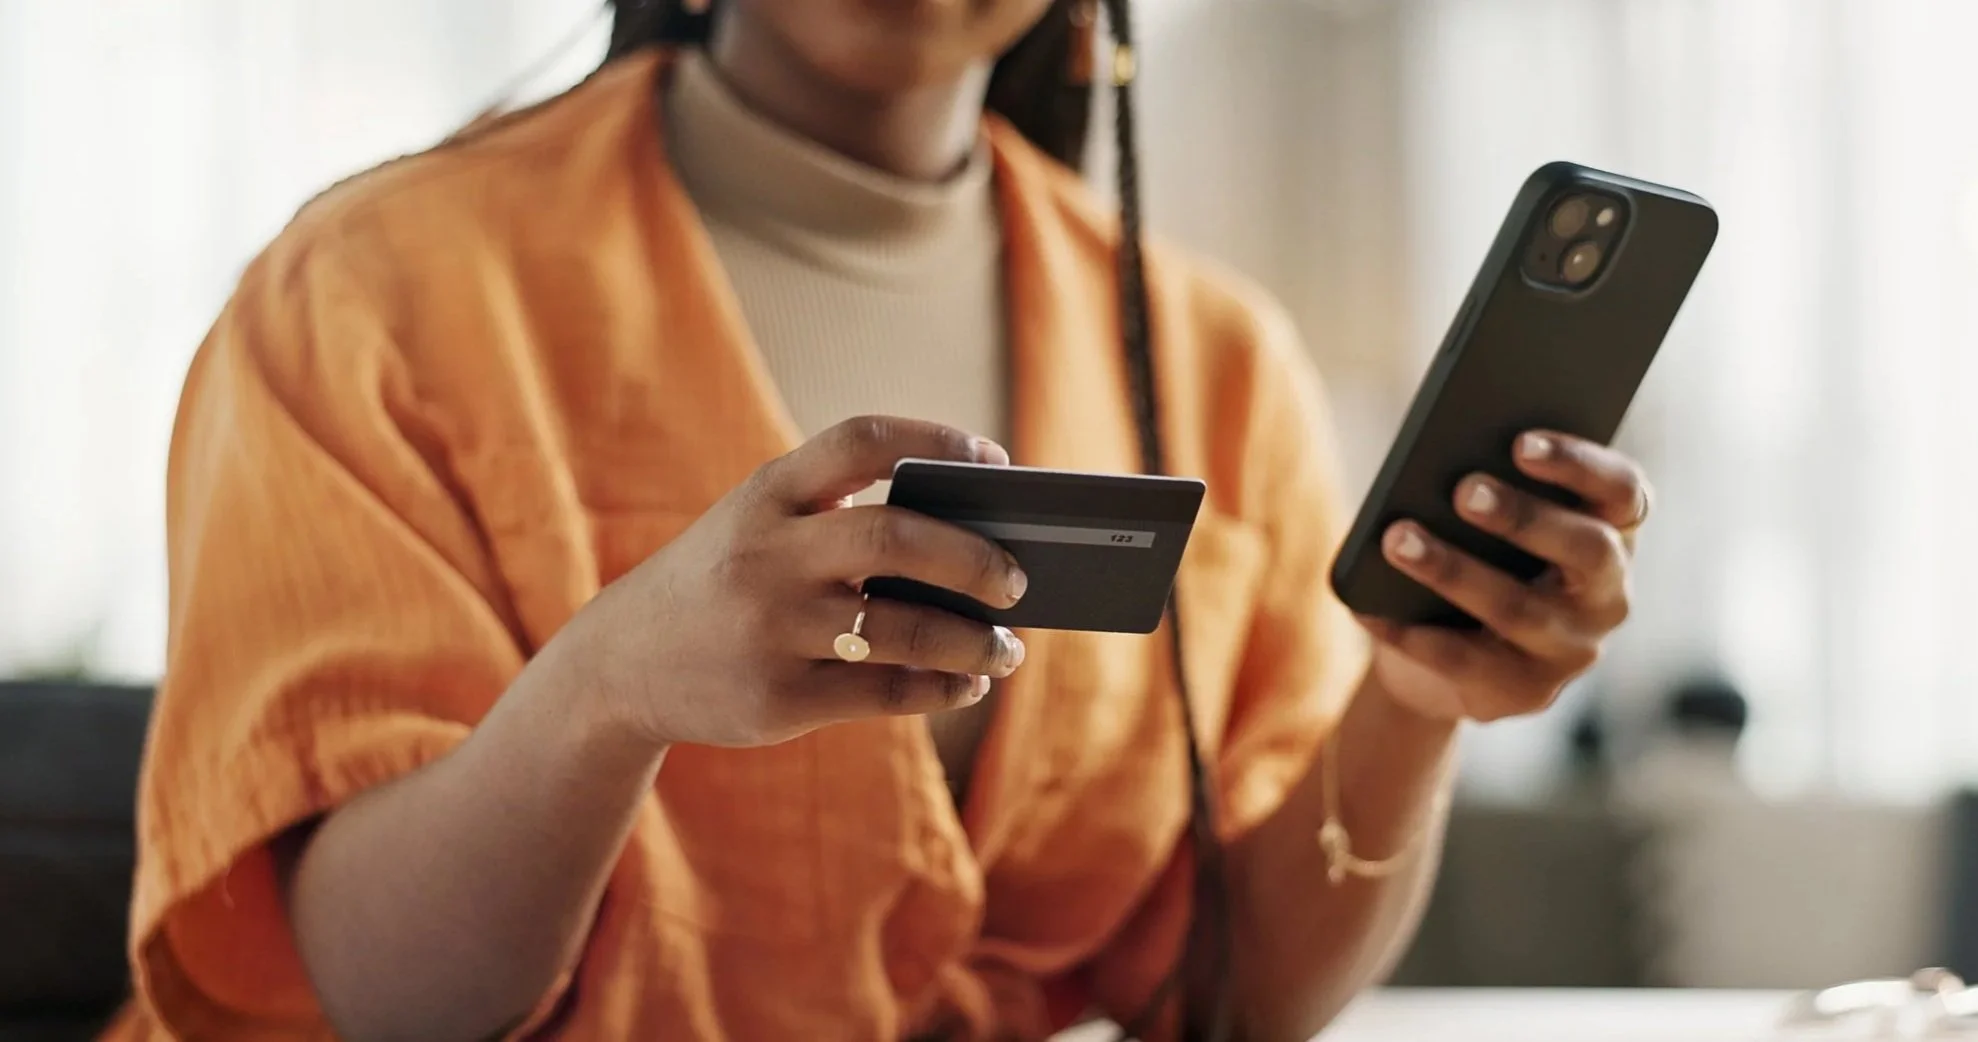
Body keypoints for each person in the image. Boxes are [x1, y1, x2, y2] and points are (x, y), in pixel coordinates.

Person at [110, 1, 1652, 1039]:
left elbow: (1232, 996)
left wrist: (1411, 698)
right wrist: (602, 698)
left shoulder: (1211, 358)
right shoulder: (369, 293)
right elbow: (379, 1002)